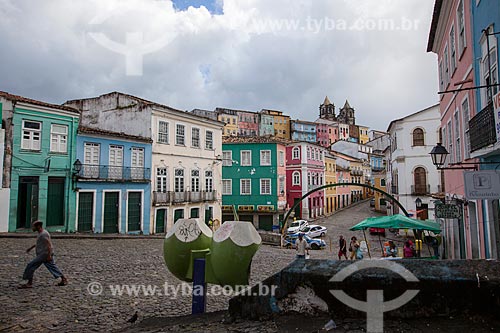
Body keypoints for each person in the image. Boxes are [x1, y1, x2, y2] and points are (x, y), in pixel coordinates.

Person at [18, 221, 68, 288]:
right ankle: (63, 279)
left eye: (33, 226)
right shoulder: (41, 233)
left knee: (31, 265)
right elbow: (40, 243)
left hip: (44, 254)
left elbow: (48, 245)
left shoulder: (44, 234)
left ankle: (29, 283)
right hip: (44, 254)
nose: (32, 228)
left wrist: (49, 255)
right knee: (52, 267)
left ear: (38, 226)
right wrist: (31, 248)